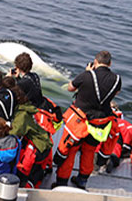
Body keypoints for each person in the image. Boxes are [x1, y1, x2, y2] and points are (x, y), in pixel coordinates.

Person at [52, 50, 121, 189]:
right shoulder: (117, 79)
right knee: (89, 151)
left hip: (80, 121)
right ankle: (82, 180)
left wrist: (87, 72)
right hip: (100, 123)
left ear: (95, 62)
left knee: (71, 151)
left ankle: (62, 182)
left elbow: (71, 88)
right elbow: (116, 92)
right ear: (110, 63)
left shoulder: (87, 75)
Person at [10, 89, 53, 188]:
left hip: (37, 149)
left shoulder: (22, 115)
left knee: (25, 170)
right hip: (44, 145)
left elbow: (15, 132)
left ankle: (27, 184)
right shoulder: (29, 109)